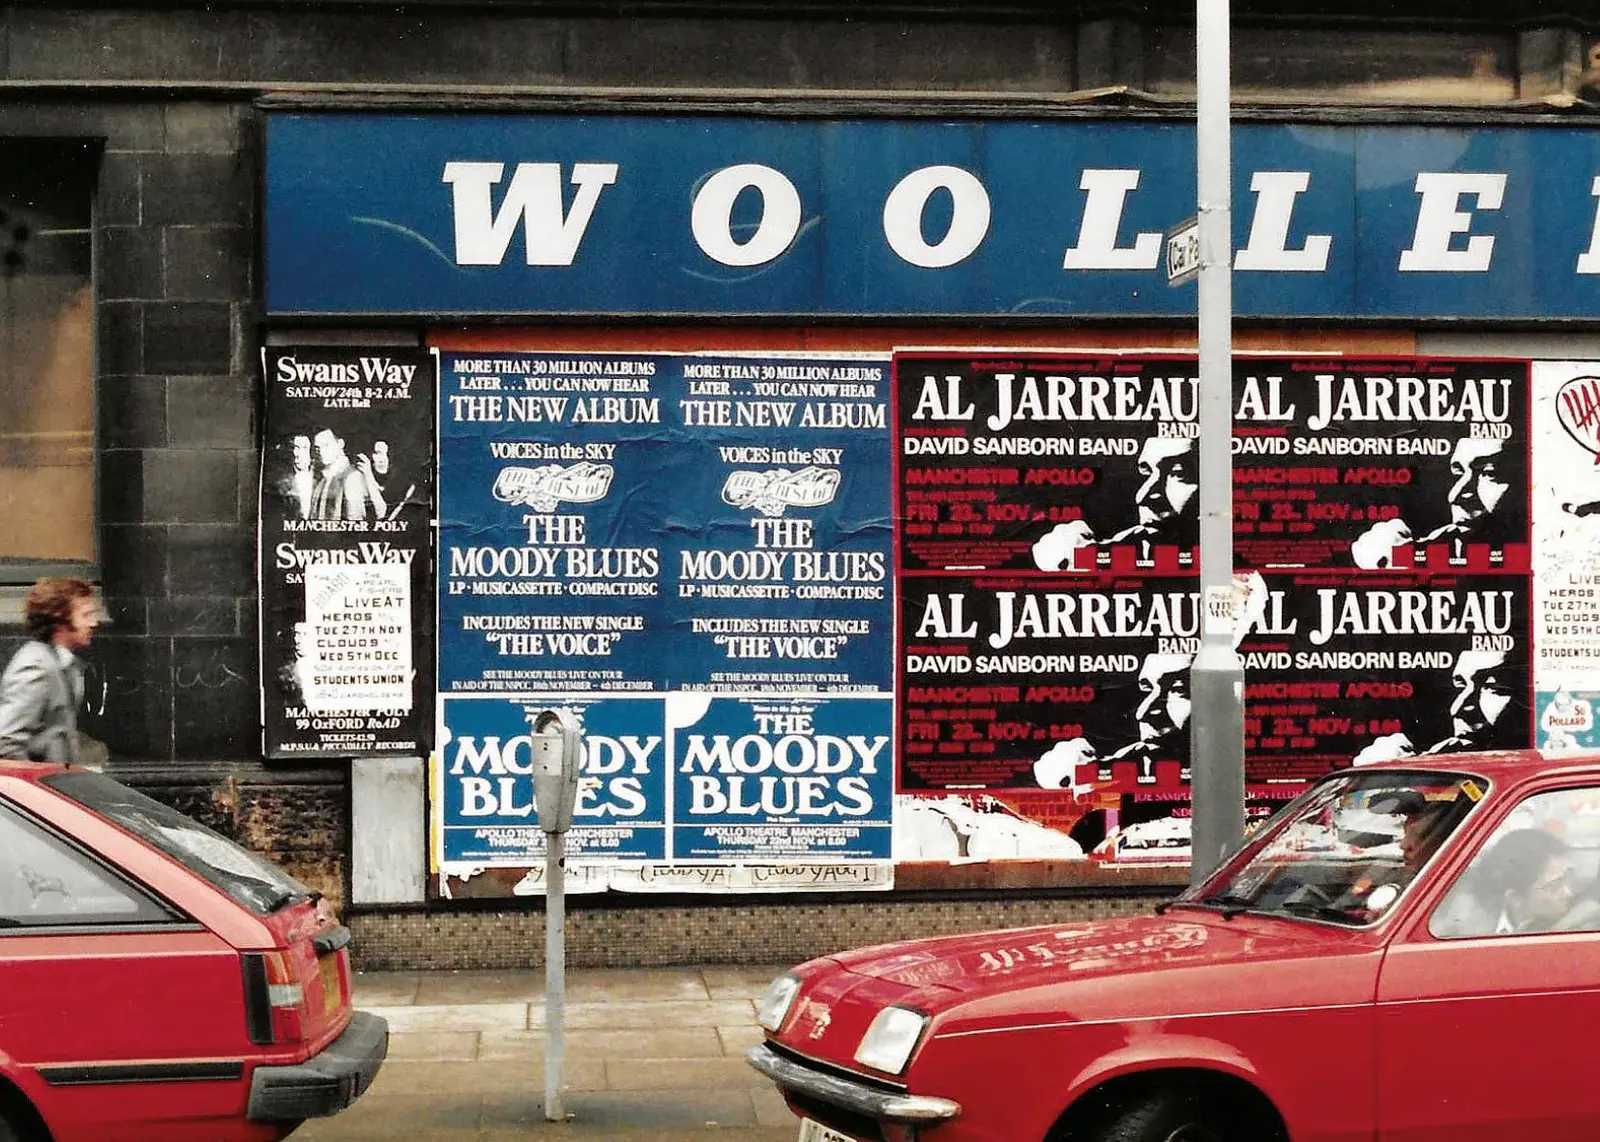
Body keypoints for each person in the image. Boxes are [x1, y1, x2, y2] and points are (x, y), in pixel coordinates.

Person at [1350, 437, 1511, 567]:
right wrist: (1389, 554)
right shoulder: (1447, 543)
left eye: (1490, 473)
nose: (1454, 496)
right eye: (1458, 473)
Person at [0, 578, 102, 763]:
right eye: (86, 615)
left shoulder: (63, 664)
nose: (94, 623)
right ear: (59, 618)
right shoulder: (35, 665)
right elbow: (6, 743)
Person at [309, 428, 371, 522]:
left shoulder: (351, 477)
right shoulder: (323, 479)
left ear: (340, 444)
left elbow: (354, 523)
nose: (321, 452)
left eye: (326, 445)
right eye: (318, 448)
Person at [275, 433, 315, 519]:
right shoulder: (281, 482)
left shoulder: (321, 478)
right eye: (294, 448)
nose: (298, 453)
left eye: (304, 448)